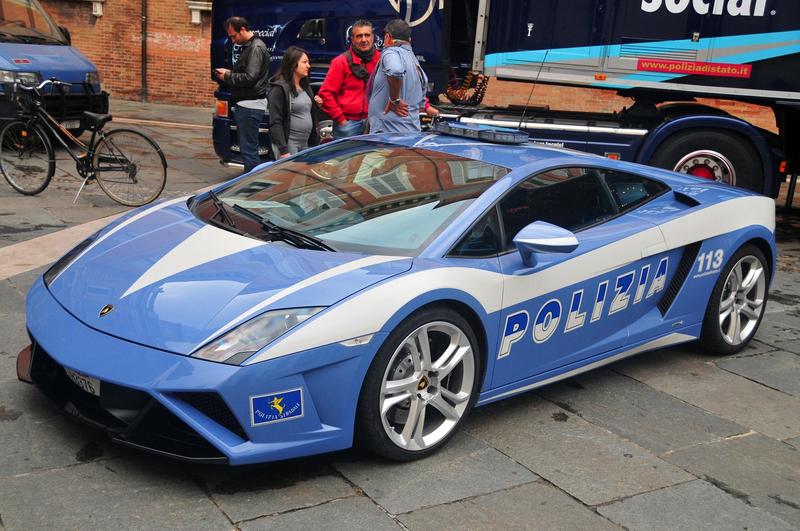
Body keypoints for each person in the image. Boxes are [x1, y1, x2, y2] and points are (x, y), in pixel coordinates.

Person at [214, 16, 269, 172]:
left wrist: (227, 76)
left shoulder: (256, 48)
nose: (233, 40)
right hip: (248, 104)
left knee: (249, 149)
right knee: (249, 148)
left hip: (249, 105)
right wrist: (230, 72)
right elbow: (250, 74)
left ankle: (252, 188)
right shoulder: (252, 46)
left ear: (243, 29)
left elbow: (250, 77)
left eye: (234, 36)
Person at [367, 19, 439, 134]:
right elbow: (424, 86)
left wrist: (394, 100)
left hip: (388, 134)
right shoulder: (413, 60)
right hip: (408, 132)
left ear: (387, 37)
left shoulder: (390, 52)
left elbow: (395, 70)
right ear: (409, 40)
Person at [318, 19, 380, 139]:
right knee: (344, 158)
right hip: (348, 124)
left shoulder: (382, 60)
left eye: (367, 35)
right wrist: (341, 120)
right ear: (352, 39)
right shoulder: (340, 62)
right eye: (359, 36)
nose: (364, 39)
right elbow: (325, 94)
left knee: (374, 158)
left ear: (373, 37)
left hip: (375, 122)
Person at [267, 46, 320, 158]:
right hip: (289, 144)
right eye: (304, 62)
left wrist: (316, 105)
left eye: (308, 62)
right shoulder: (279, 89)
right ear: (293, 64)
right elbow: (275, 121)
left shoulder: (305, 86)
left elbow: (305, 111)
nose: (308, 66)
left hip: (305, 143)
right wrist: (283, 150)